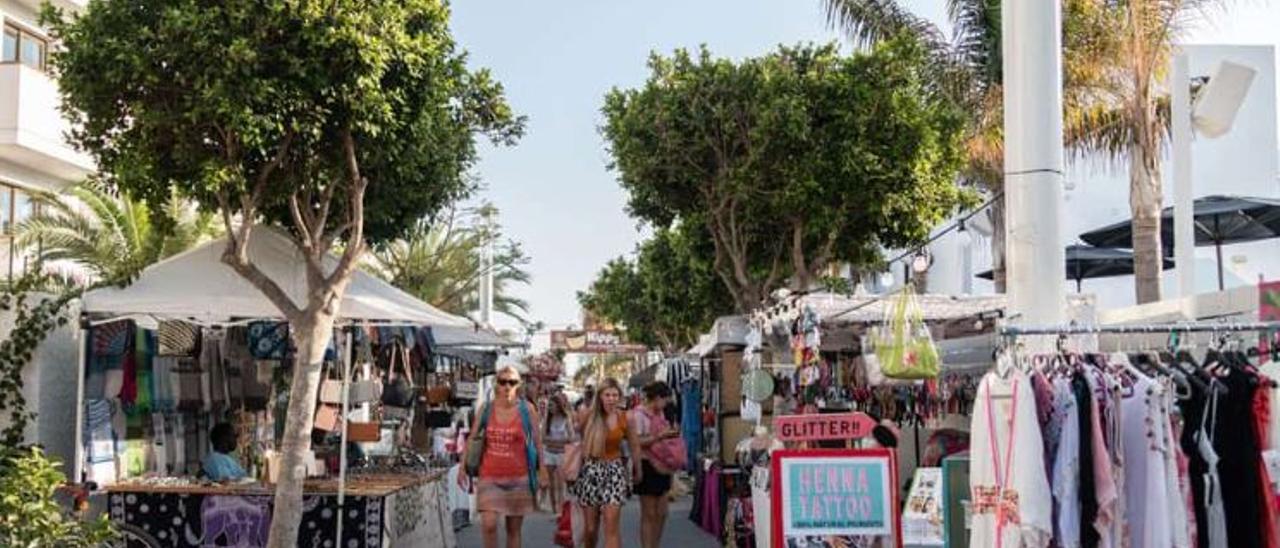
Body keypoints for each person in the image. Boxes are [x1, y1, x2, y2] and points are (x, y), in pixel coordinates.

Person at [463, 366, 549, 548]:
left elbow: (536, 441)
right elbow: (472, 437)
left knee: (513, 530)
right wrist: (463, 467)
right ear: (496, 385)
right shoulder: (486, 409)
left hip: (519, 478)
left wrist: (542, 469)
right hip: (489, 476)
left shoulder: (527, 410)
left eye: (512, 382)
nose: (507, 386)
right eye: (503, 382)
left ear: (519, 386)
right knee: (489, 525)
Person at [571, 378, 641, 548]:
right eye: (607, 395)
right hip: (591, 470)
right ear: (600, 397)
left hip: (614, 470)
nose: (611, 399)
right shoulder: (587, 414)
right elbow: (576, 437)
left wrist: (637, 469)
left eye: (615, 395)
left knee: (611, 525)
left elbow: (634, 445)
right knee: (590, 528)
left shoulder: (626, 417)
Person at [630, 381, 681, 548]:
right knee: (649, 513)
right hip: (646, 463)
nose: (666, 403)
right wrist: (660, 436)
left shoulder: (661, 414)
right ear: (658, 397)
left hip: (663, 465)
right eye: (665, 399)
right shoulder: (639, 415)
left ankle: (655, 544)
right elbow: (636, 442)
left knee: (662, 512)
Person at [543, 393, 573, 512]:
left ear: (558, 406)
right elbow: (542, 437)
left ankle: (561, 507)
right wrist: (559, 441)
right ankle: (553, 506)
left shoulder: (566, 418)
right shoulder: (547, 419)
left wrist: (554, 441)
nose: (550, 408)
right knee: (551, 482)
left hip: (561, 453)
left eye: (552, 406)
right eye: (549, 406)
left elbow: (571, 437)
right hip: (549, 453)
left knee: (561, 482)